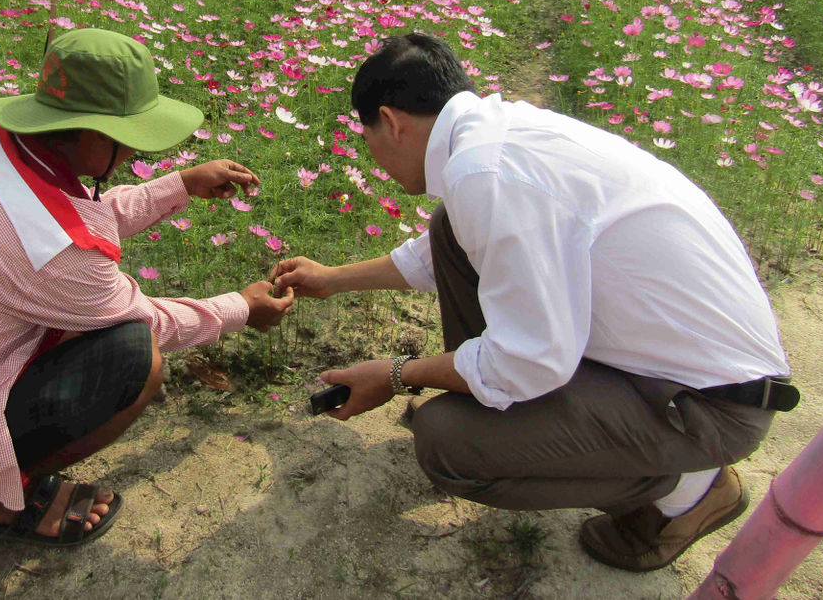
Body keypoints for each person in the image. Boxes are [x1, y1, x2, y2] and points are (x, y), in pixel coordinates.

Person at [271, 32, 796, 572]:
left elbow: (529, 360)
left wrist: (399, 373)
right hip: (674, 365)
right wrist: (334, 278)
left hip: (710, 406)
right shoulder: (493, 138)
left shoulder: (485, 170)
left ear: (392, 120)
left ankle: (686, 490)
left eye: (368, 138)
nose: (374, 155)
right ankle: (533, 425)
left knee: (446, 442)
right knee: (451, 231)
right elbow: (446, 253)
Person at [0, 28, 293, 548]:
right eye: (127, 138)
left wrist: (179, 184)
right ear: (90, 135)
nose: (129, 152)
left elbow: (66, 215)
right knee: (134, 357)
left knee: (95, 334)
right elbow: (145, 318)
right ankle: (9, 499)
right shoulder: (55, 253)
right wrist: (241, 307)